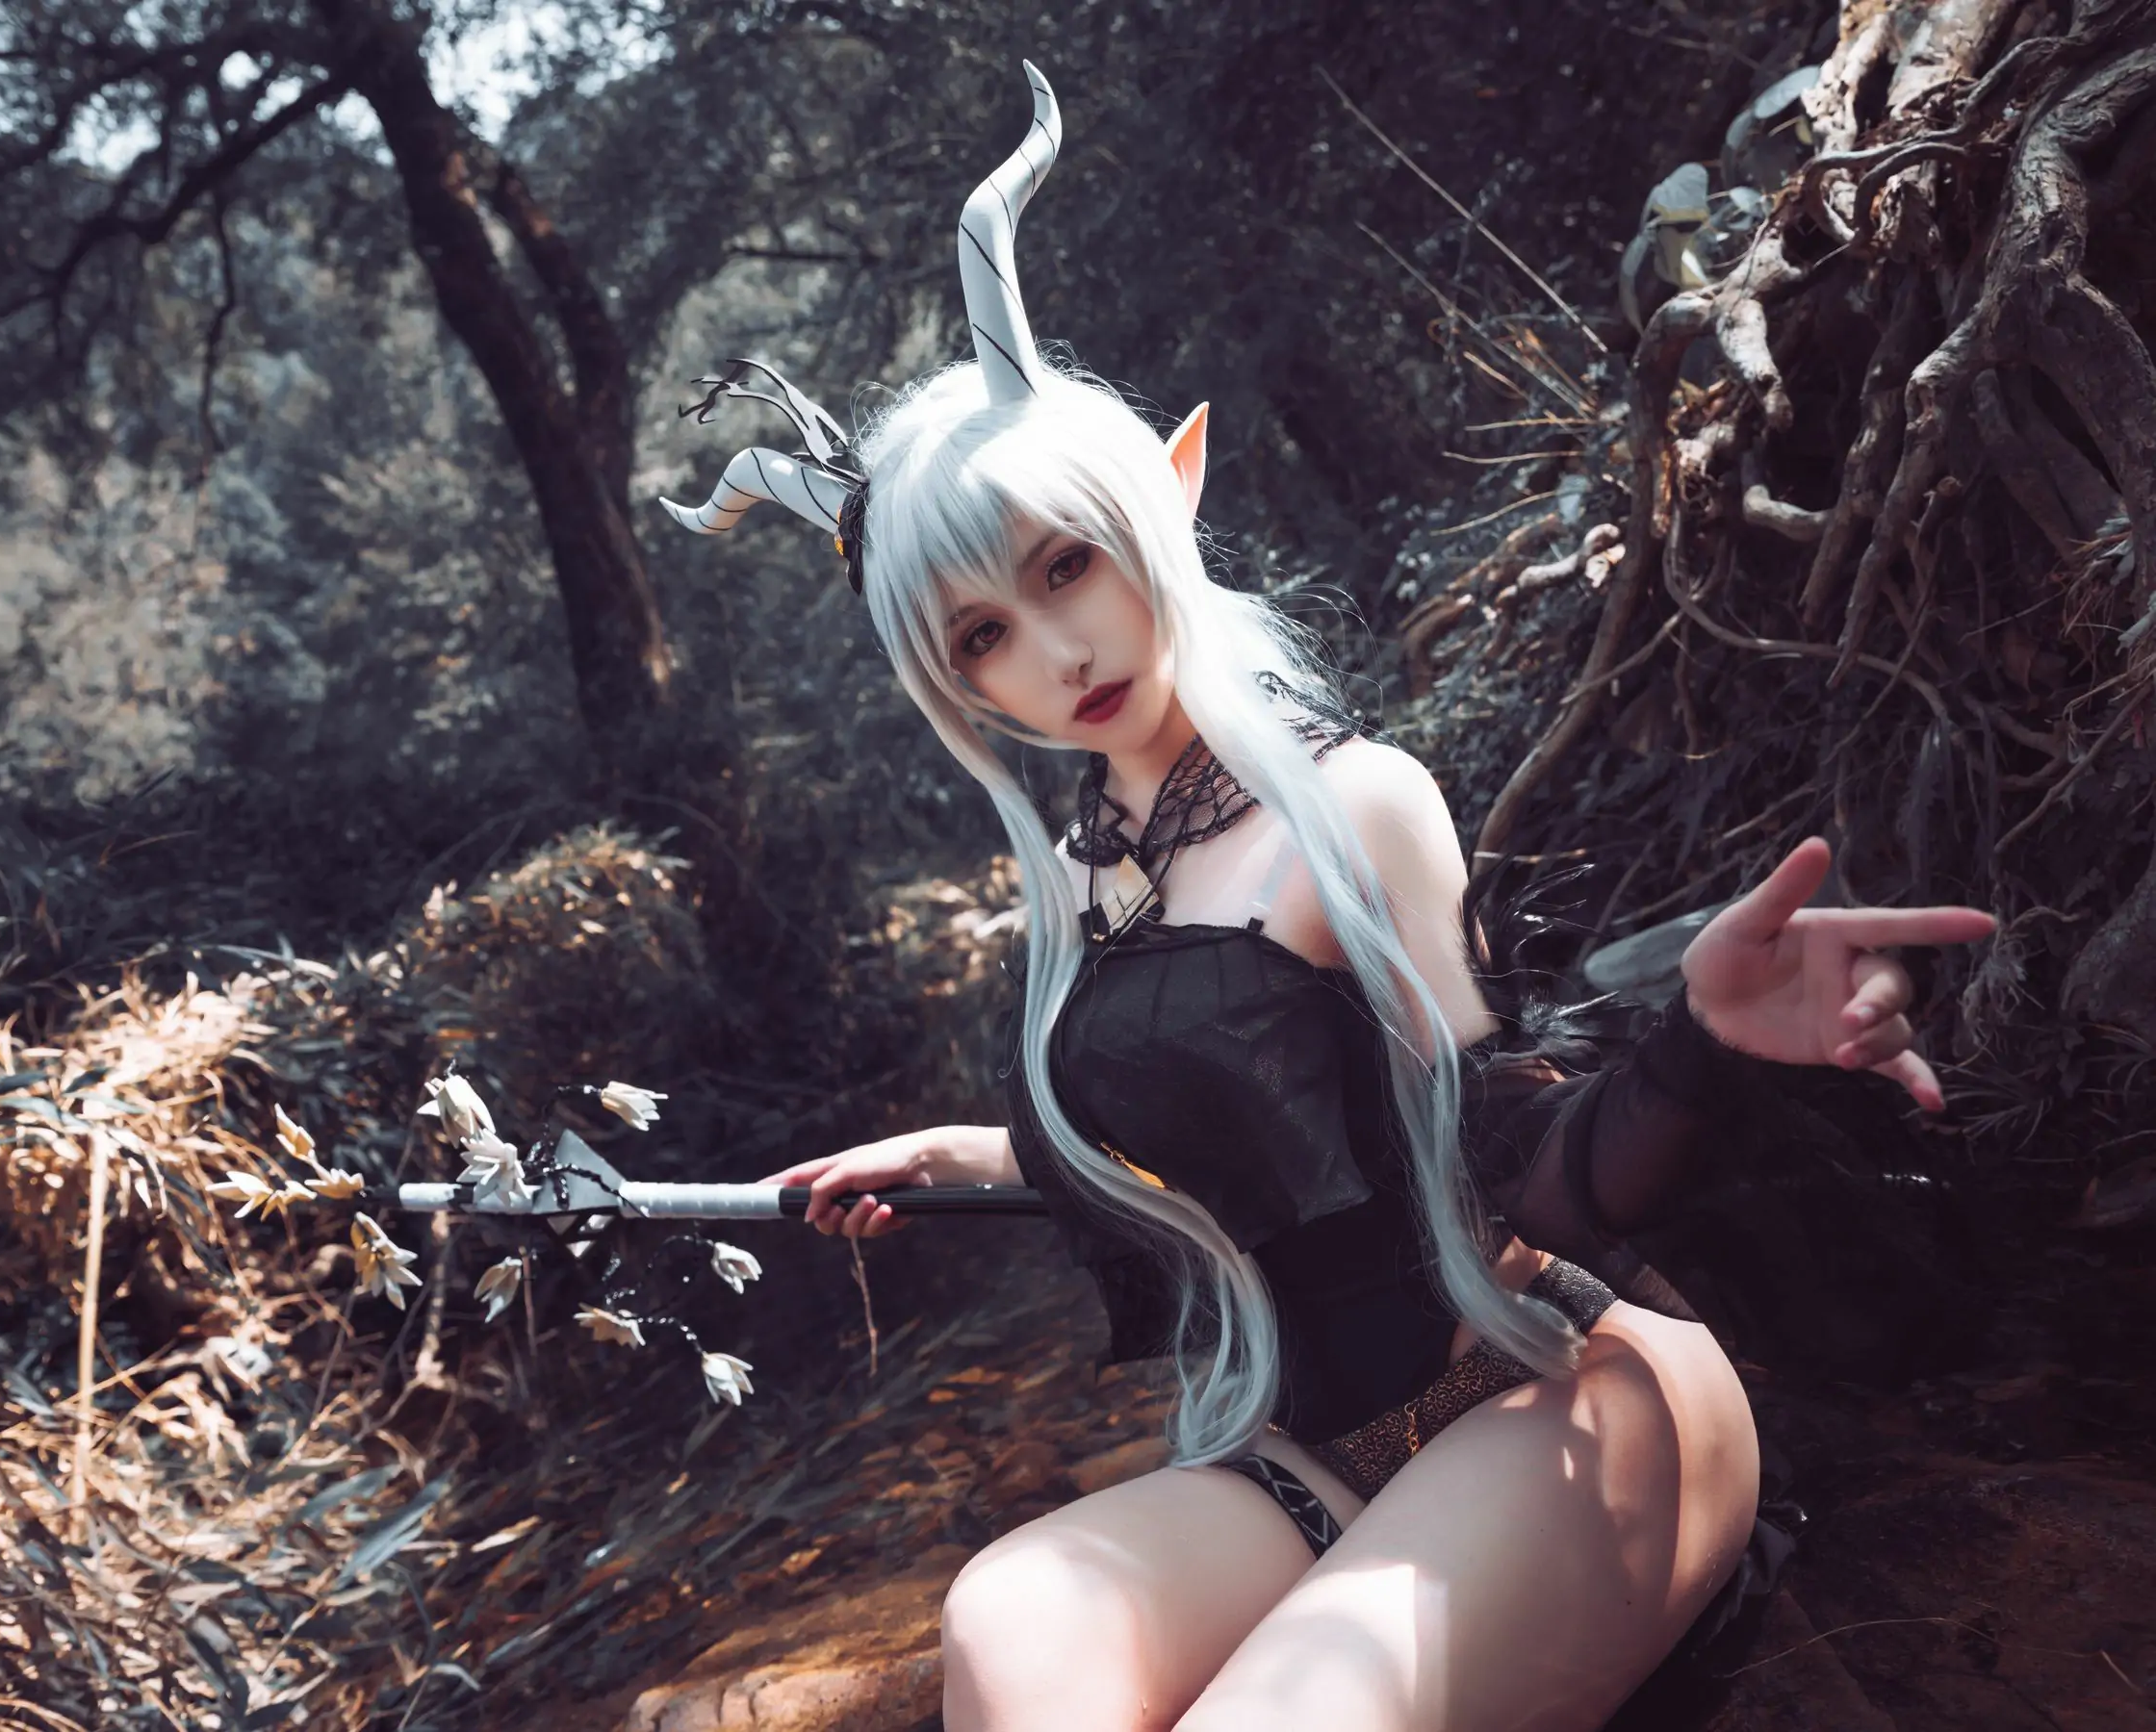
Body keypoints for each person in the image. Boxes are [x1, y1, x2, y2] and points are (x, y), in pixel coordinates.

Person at [663, 64, 1995, 1732]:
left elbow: (1514, 1158)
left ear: (1166, 493)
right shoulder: (1084, 880)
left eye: (1066, 563)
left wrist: (1703, 1049)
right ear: (951, 683)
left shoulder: (1354, 805)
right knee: (1006, 1624)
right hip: (1315, 1448)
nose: (1055, 651)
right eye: (982, 633)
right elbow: (1238, 1125)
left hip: (1552, 1385)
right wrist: (968, 1154)